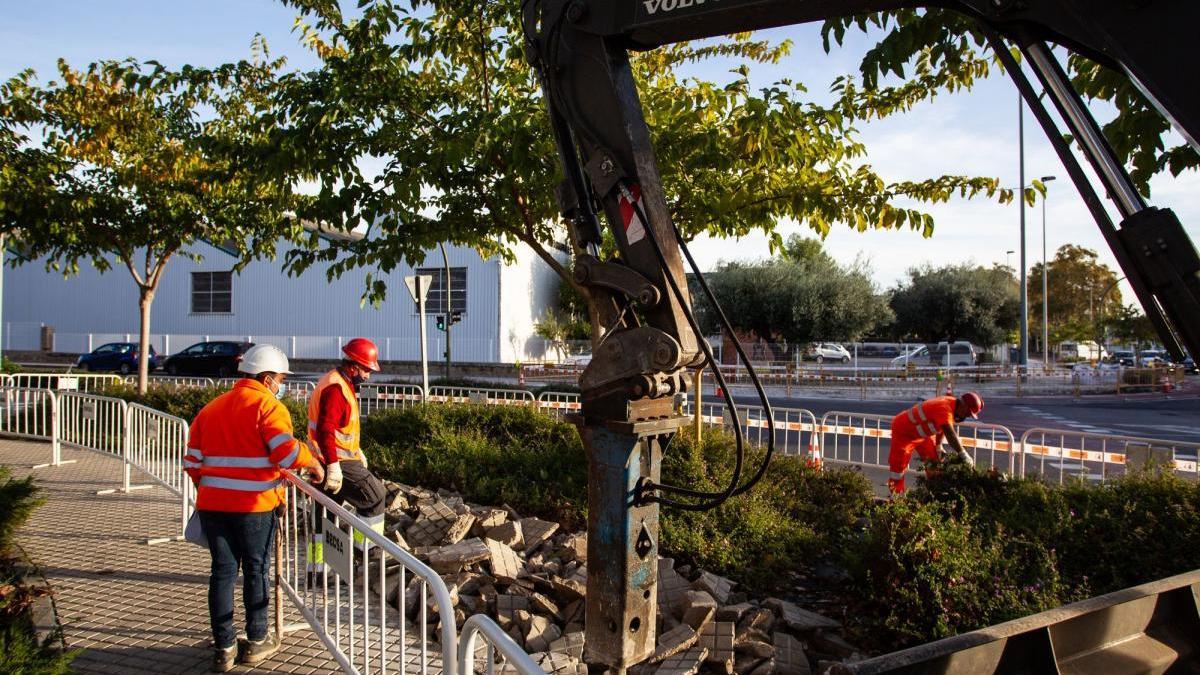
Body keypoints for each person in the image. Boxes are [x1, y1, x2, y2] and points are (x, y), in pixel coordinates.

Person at [183, 344, 325, 672]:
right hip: (255, 507)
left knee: (222, 572)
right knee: (256, 571)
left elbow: (192, 463)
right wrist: (312, 460)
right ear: (266, 378)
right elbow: (286, 454)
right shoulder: (269, 408)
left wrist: (212, 492)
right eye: (280, 378)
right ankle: (257, 641)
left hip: (213, 507)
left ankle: (224, 647)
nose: (282, 384)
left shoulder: (211, 409)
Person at [307, 338, 387, 576]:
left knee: (325, 516)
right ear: (354, 366)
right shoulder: (337, 389)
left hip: (326, 459)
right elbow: (326, 429)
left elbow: (340, 428)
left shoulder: (337, 381)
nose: (368, 376)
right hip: (334, 461)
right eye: (366, 370)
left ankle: (320, 571)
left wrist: (355, 449)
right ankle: (365, 553)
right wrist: (333, 466)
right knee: (375, 496)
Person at [887, 391, 983, 494]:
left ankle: (934, 492)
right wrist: (963, 454)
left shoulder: (953, 406)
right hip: (904, 431)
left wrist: (938, 445)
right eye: (968, 413)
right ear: (963, 405)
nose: (967, 416)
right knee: (898, 468)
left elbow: (942, 427)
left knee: (935, 462)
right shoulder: (945, 408)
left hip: (922, 435)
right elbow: (950, 434)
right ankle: (897, 496)